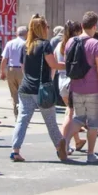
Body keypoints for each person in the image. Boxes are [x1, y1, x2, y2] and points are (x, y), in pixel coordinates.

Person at [10, 15, 66, 162]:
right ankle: (60, 147)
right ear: (41, 28)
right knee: (50, 121)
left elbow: (23, 68)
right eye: (46, 27)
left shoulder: (25, 46)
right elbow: (53, 64)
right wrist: (69, 66)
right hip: (43, 90)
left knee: (22, 120)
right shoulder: (45, 45)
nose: (48, 29)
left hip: (26, 88)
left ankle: (15, 151)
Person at [59, 11, 98, 164]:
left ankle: (65, 141)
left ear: (81, 25)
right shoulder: (96, 44)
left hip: (76, 86)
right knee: (93, 123)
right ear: (95, 26)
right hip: (93, 87)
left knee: (79, 118)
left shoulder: (70, 42)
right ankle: (90, 154)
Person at [1, 26, 27, 118]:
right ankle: (22, 113)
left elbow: (4, 59)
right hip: (22, 70)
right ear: (26, 34)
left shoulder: (10, 43)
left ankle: (16, 113)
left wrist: (2, 71)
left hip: (11, 69)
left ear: (17, 33)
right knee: (23, 93)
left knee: (14, 93)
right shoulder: (26, 44)